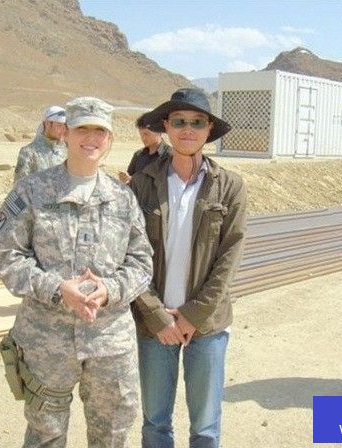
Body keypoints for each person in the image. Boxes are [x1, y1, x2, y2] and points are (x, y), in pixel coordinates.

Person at [0, 97, 153, 448]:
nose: (90, 138)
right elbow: (8, 257)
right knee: (45, 436)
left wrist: (110, 289)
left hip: (109, 340)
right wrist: (56, 288)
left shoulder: (123, 198)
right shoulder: (32, 191)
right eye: (82, 129)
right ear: (65, 133)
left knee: (112, 435)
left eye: (100, 131)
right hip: (46, 340)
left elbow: (142, 263)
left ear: (109, 139)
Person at [129, 88, 248, 448]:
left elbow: (230, 256)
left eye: (197, 122)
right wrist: (156, 315)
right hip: (155, 325)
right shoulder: (141, 185)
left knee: (206, 428)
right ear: (165, 125)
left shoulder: (229, 186)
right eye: (179, 121)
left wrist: (193, 315)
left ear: (209, 129)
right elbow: (127, 256)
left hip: (207, 326)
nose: (187, 129)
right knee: (155, 423)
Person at [14, 106, 67, 183]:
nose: (63, 129)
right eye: (59, 125)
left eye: (65, 126)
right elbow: (19, 185)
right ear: (48, 124)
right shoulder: (29, 152)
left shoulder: (65, 151)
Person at [118, 112, 170, 184]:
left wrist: (135, 181)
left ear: (159, 132)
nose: (143, 138)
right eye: (141, 134)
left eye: (146, 134)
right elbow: (130, 180)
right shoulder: (138, 155)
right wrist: (126, 180)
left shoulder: (170, 156)